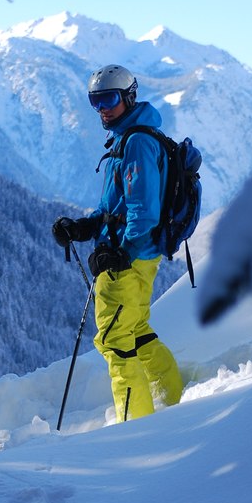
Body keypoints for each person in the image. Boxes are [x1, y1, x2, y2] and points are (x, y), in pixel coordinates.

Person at [52, 65, 183, 423]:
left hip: (128, 260)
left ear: (129, 96)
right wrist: (83, 227)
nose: (102, 109)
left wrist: (119, 253)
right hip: (137, 256)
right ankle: (176, 400)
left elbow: (144, 210)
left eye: (109, 99)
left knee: (114, 342)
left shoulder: (137, 142)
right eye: (95, 101)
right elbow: (116, 207)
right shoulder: (129, 138)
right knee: (136, 332)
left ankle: (133, 429)